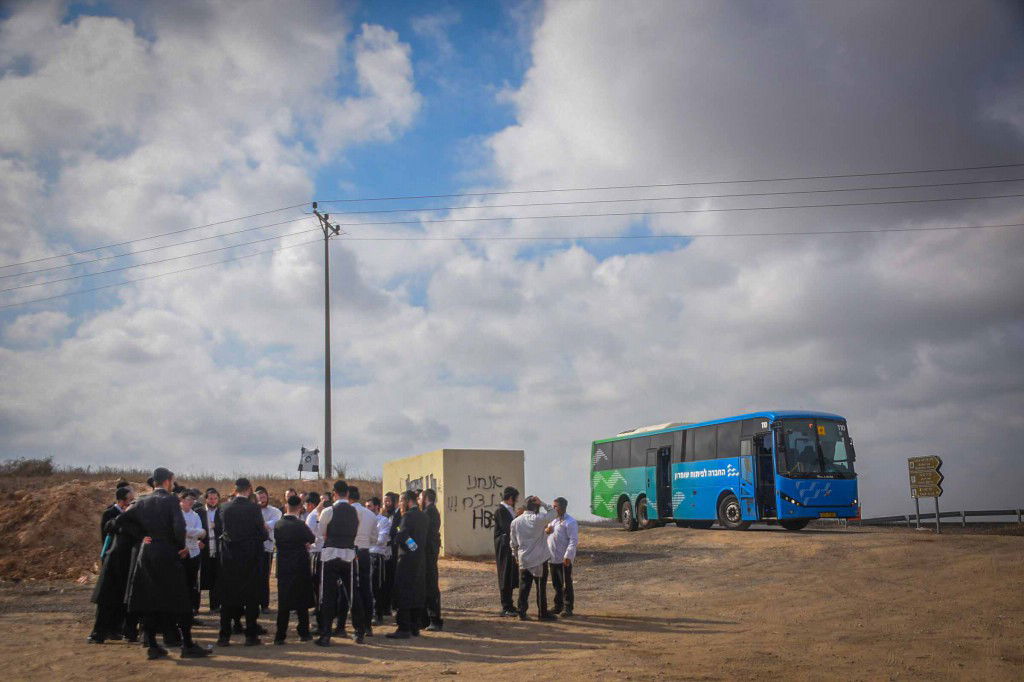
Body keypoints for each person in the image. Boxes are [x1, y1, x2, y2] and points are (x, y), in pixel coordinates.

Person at [122, 467, 210, 659]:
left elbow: (122, 520)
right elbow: (179, 527)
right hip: (167, 553)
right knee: (180, 598)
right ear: (168, 481)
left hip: (147, 554)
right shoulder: (170, 500)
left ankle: (153, 645)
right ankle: (187, 644)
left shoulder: (142, 500)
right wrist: (180, 545)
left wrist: (142, 536)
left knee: (150, 598)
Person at [216, 478, 268, 646]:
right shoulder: (254, 508)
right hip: (250, 558)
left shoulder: (224, 507)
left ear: (235, 489)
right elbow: (262, 534)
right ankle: (250, 635)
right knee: (251, 598)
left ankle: (224, 636)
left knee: (227, 597)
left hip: (229, 558)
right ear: (250, 489)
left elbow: (219, 531)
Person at [313, 480, 364, 646]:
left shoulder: (329, 510)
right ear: (347, 494)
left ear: (334, 493)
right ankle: (359, 631)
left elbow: (320, 533)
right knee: (352, 594)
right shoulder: (355, 512)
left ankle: (326, 634)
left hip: (330, 555)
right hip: (349, 555)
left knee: (328, 594)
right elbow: (355, 530)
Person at [88, 485, 137, 644]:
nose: (132, 503)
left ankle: (116, 630)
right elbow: (107, 534)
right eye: (130, 500)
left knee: (122, 599)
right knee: (107, 599)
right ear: (123, 501)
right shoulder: (111, 514)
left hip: (126, 563)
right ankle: (99, 632)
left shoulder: (130, 516)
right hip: (113, 560)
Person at [273, 495, 316, 644]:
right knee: (301, 602)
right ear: (300, 507)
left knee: (283, 603)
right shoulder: (301, 525)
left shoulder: (278, 525)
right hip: (300, 567)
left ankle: (280, 636)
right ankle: (304, 632)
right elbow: (312, 538)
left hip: (284, 567)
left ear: (286, 506)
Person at [386, 490, 427, 639]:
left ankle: (404, 627)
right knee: (416, 591)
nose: (400, 505)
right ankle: (415, 627)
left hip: (407, 560)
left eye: (402, 501)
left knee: (404, 591)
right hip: (420, 560)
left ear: (407, 501)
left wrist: (412, 546)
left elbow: (402, 535)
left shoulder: (408, 516)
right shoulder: (424, 516)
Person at [509, 495, 557, 621]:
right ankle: (542, 613)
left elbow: (513, 543)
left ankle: (522, 613)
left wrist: (515, 556)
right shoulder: (538, 518)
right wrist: (542, 503)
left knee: (524, 587)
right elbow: (554, 513)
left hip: (524, 558)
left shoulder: (515, 522)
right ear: (537, 508)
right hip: (539, 559)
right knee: (540, 587)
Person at [349, 486, 377, 640]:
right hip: (365, 552)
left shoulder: (345, 512)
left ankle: (357, 627)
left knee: (353, 591)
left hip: (351, 552)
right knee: (367, 589)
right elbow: (375, 538)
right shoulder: (370, 514)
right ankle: (367, 625)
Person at [545, 496, 578, 617]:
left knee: (566, 583)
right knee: (556, 584)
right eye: (552, 506)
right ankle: (558, 605)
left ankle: (568, 607)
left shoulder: (570, 522)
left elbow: (573, 541)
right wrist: (547, 531)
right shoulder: (553, 520)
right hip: (552, 557)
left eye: (555, 507)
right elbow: (548, 534)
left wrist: (568, 555)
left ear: (562, 507)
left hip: (564, 558)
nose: (553, 509)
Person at [419, 488, 444, 631]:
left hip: (428, 554)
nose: (419, 500)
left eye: (420, 497)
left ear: (426, 498)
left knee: (431, 586)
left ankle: (434, 619)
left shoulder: (429, 512)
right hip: (429, 553)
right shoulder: (431, 511)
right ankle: (427, 619)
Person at [180, 489, 206, 622]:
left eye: (192, 499)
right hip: (180, 554)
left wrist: (189, 534)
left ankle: (191, 613)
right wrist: (192, 533)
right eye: (187, 499)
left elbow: (201, 532)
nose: (190, 502)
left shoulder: (195, 515)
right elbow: (180, 531)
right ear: (181, 500)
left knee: (192, 584)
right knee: (180, 585)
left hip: (193, 553)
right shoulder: (177, 515)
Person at [494, 486, 520, 617]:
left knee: (510, 575)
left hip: (509, 547)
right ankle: (506, 606)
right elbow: (508, 528)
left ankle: (510, 604)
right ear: (510, 498)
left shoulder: (508, 510)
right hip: (504, 548)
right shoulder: (501, 510)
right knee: (505, 575)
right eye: (515, 499)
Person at [255, 486, 282, 613]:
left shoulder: (275, 511)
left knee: (264, 577)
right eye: (259, 498)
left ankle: (264, 605)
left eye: (264, 497)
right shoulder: (253, 510)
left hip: (267, 548)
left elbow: (272, 524)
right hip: (253, 548)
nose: (262, 500)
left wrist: (261, 525)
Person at [367, 496, 392, 625]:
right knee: (367, 586)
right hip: (366, 555)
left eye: (369, 506)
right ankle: (369, 612)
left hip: (377, 556)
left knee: (377, 585)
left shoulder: (383, 521)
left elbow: (382, 540)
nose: (367, 509)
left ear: (377, 507)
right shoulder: (365, 520)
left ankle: (378, 614)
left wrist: (368, 540)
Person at [199, 488, 221, 612]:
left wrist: (216, 526)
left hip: (217, 548)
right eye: (210, 498)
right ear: (206, 499)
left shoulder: (222, 512)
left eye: (215, 498)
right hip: (204, 548)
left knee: (217, 577)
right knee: (203, 576)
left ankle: (215, 605)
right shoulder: (200, 512)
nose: (213, 501)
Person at [383, 492, 400, 616]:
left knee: (394, 578)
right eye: (384, 501)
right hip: (386, 552)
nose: (386, 504)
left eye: (388, 501)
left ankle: (395, 605)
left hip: (395, 552)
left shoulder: (399, 515)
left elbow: (401, 533)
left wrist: (413, 547)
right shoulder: (386, 515)